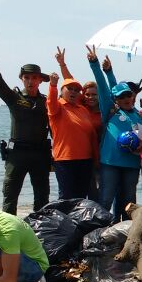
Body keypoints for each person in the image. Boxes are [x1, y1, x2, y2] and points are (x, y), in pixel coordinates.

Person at [0, 41, 51, 215]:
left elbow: (56, 128)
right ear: (22, 78)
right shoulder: (14, 98)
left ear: (40, 80)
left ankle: (41, 231)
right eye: (27, 77)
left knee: (42, 196)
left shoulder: (46, 101)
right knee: (10, 194)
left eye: (34, 77)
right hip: (17, 154)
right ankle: (8, 231)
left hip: (40, 154)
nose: (30, 81)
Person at [87, 46, 142, 221]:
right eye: (122, 97)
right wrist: (96, 65)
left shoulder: (140, 117)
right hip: (110, 162)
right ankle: (98, 231)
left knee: (129, 201)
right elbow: (103, 87)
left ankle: (125, 231)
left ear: (133, 97)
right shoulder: (110, 111)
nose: (126, 99)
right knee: (106, 198)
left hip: (131, 164)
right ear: (115, 99)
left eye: (129, 96)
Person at [46, 72, 96, 201]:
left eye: (77, 90)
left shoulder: (82, 109)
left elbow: (91, 135)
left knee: (81, 197)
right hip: (65, 159)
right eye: (70, 89)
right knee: (66, 197)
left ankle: (78, 221)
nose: (73, 92)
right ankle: (64, 221)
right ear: (62, 91)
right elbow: (51, 101)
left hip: (86, 159)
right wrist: (53, 85)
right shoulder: (57, 106)